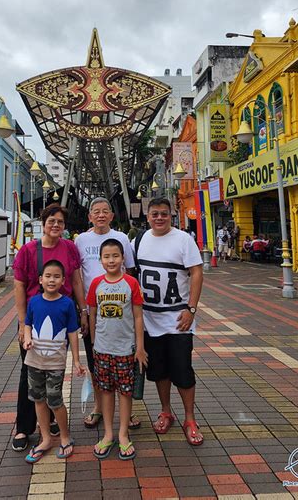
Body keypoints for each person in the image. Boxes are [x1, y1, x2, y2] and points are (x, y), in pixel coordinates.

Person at [12, 203, 88, 451]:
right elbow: (19, 287)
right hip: (34, 320)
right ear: (43, 223)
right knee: (30, 373)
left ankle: (53, 419)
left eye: (60, 222)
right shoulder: (28, 250)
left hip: (62, 318)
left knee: (55, 370)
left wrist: (84, 311)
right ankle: (24, 426)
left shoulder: (69, 248)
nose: (56, 225)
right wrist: (24, 325)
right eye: (51, 221)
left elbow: (76, 280)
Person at [132, 197, 204, 446]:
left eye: (164, 214)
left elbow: (196, 272)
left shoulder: (184, 239)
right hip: (150, 320)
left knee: (182, 371)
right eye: (155, 214)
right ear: (148, 216)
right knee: (159, 371)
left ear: (171, 215)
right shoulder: (139, 241)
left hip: (178, 320)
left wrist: (191, 309)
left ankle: (190, 418)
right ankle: (166, 410)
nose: (159, 218)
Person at [75, 197, 140, 430]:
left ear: (112, 216)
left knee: (126, 362)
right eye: (96, 211)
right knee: (96, 361)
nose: (101, 215)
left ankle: (127, 411)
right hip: (93, 311)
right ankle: (98, 407)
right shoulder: (81, 240)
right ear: (90, 216)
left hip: (122, 312)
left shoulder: (122, 238)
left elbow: (130, 271)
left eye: (105, 211)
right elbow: (77, 277)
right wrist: (83, 310)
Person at [86, 239, 148, 460]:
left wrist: (140, 348)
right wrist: (94, 344)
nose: (111, 260)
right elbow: (92, 315)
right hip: (102, 349)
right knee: (106, 391)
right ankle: (109, 434)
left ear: (123, 258)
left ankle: (123, 433)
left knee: (125, 392)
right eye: (106, 256)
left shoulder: (131, 283)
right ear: (101, 260)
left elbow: (139, 316)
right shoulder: (95, 284)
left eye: (115, 256)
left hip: (126, 349)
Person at [23, 260, 86, 463]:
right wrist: (27, 339)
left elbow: (72, 333)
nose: (52, 280)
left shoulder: (67, 303)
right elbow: (27, 324)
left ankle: (65, 437)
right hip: (34, 361)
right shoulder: (34, 301)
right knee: (38, 399)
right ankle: (46, 439)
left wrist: (76, 360)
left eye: (56, 276)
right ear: (40, 280)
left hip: (56, 363)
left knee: (55, 400)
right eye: (48, 276)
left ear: (63, 281)